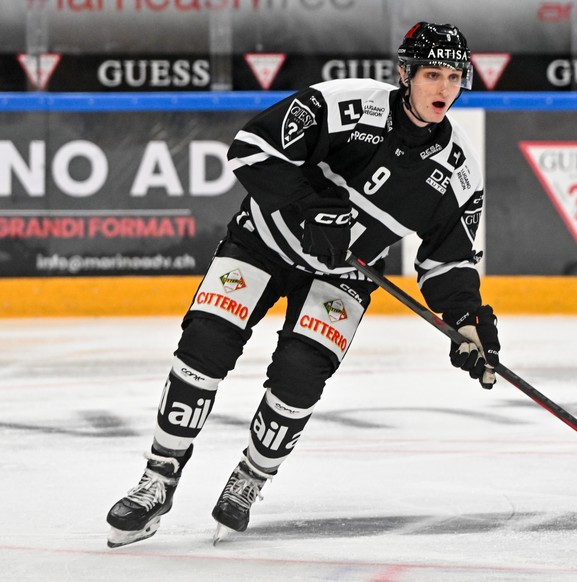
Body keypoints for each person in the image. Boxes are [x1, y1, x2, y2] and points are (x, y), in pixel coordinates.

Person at [106, 21, 501, 548]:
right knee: (204, 345)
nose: (445, 89)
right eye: (433, 74)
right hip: (262, 242)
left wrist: (468, 323)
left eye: (455, 76)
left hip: (344, 274)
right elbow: (250, 149)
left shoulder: (457, 173)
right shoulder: (344, 105)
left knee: (299, 377)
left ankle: (250, 479)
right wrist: (311, 209)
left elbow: (449, 265)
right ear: (405, 74)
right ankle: (158, 480)